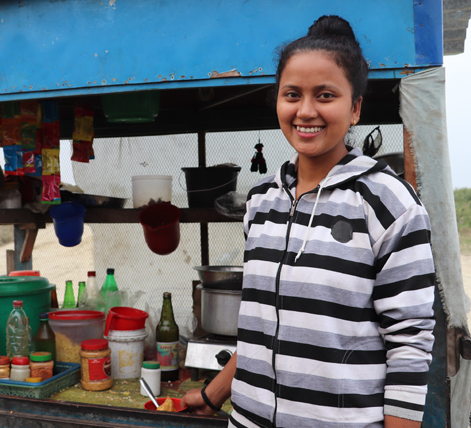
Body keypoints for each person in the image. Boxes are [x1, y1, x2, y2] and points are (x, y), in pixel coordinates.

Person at [183, 15, 436, 428]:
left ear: (354, 108)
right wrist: (213, 396)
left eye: (325, 95)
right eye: (292, 94)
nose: (305, 111)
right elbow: (261, 327)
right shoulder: (262, 200)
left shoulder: (389, 204)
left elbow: (410, 346)